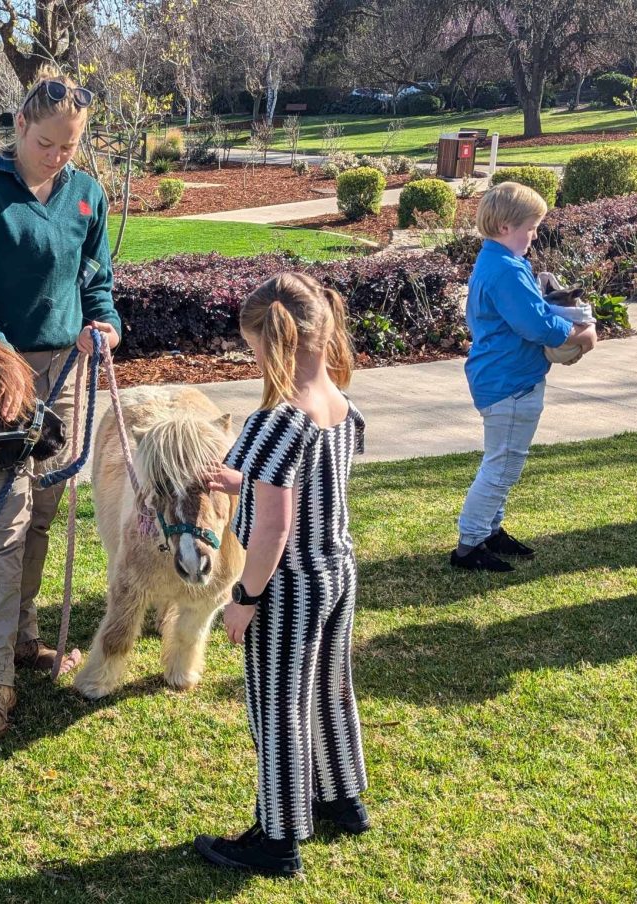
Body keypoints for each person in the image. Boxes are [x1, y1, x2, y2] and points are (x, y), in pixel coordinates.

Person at [0, 69, 121, 743]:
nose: (59, 157)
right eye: (48, 143)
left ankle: (21, 638)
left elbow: (95, 280)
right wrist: (1, 355)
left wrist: (105, 322)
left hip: (64, 373)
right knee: (3, 523)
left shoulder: (87, 195)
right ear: (19, 125)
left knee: (43, 514)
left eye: (70, 147)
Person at [194, 273, 369, 878]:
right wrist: (243, 482)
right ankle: (343, 797)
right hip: (338, 570)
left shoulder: (275, 420)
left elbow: (273, 530)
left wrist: (245, 597)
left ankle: (278, 838)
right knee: (329, 689)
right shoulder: (341, 404)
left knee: (278, 708)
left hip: (289, 583)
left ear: (268, 344)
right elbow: (311, 483)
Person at [451, 181, 596, 572]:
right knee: (503, 466)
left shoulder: (501, 262)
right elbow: (535, 325)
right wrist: (581, 333)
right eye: (530, 227)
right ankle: (469, 545)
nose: (534, 234)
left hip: (505, 376)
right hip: (509, 382)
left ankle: (489, 531)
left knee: (503, 460)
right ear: (504, 228)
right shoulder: (504, 270)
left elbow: (532, 312)